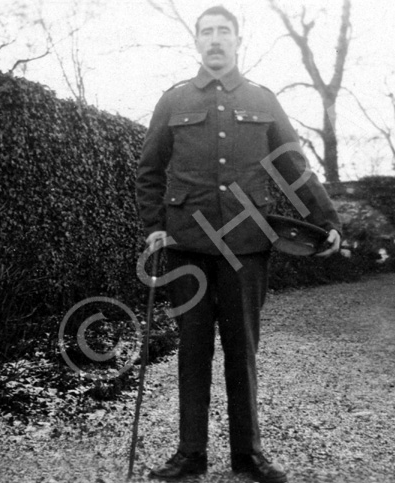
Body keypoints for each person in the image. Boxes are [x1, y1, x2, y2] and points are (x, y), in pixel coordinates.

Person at [135, 6, 341, 482]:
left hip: (245, 248)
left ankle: (248, 454)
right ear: (197, 42)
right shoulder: (173, 100)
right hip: (187, 247)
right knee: (192, 352)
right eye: (206, 32)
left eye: (222, 32)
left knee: (241, 350)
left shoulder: (263, 100)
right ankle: (191, 454)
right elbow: (149, 171)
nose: (214, 40)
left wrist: (325, 219)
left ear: (237, 40)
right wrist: (155, 226)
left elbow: (296, 169)